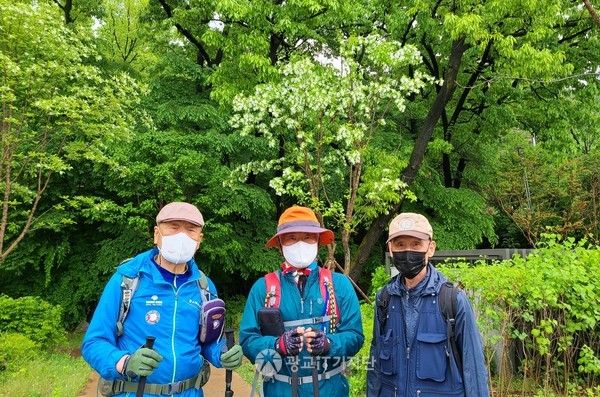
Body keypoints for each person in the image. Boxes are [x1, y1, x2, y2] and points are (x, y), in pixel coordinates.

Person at [82, 202, 243, 397]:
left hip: (190, 392)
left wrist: (223, 353)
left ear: (199, 240)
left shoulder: (204, 287)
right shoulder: (128, 280)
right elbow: (94, 342)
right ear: (156, 234)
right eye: (174, 227)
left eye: (191, 230)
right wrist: (124, 362)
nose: (182, 236)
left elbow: (208, 341)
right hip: (136, 392)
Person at [239, 206, 364, 397]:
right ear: (280, 245)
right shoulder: (263, 288)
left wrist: (329, 344)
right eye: (291, 238)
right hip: (279, 389)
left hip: (330, 389)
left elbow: (355, 336)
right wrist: (277, 345)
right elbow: (248, 340)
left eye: (307, 237)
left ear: (317, 242)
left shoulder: (339, 285)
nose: (300, 244)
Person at [367, 212, 490, 397]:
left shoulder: (452, 301)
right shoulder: (384, 299)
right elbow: (375, 363)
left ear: (430, 248)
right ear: (391, 249)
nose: (408, 251)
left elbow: (474, 369)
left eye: (416, 244)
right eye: (400, 244)